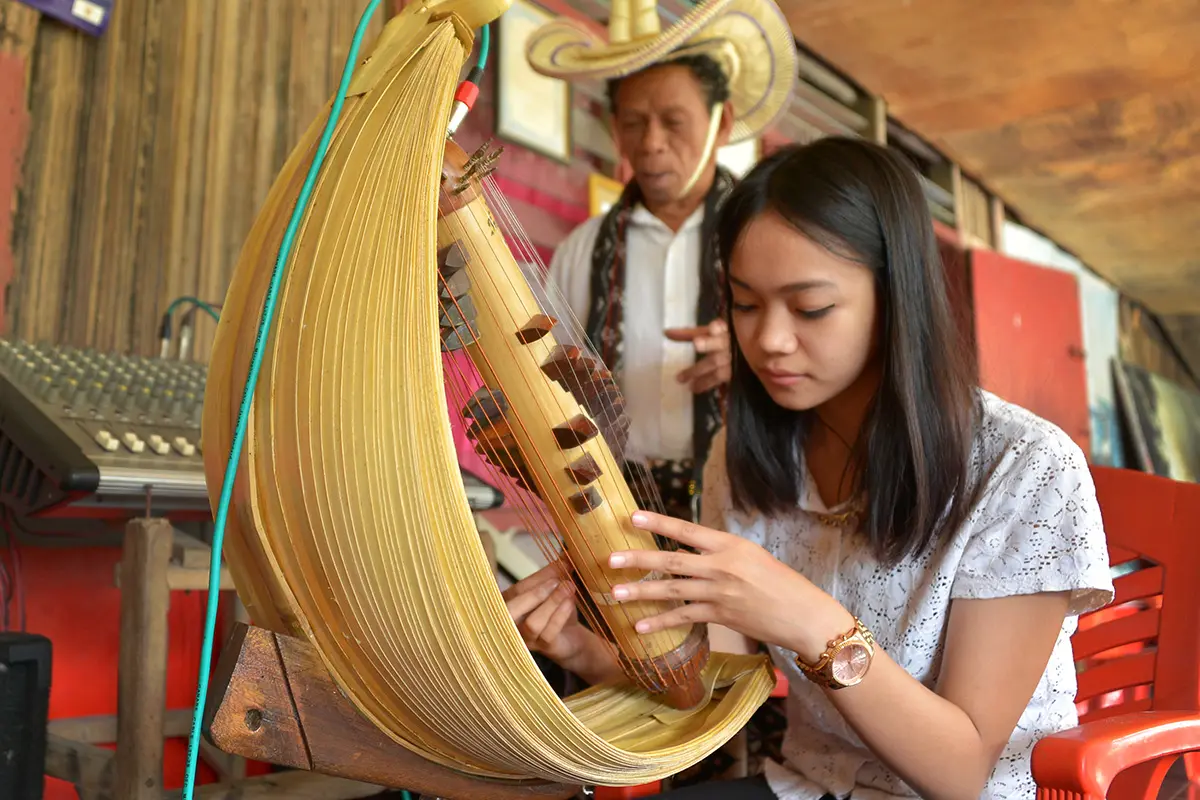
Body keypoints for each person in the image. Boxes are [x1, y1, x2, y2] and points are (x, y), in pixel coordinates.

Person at [503, 137, 1115, 800]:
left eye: (811, 308)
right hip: (809, 787)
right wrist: (582, 651)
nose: (768, 340)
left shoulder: (1023, 467)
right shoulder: (745, 456)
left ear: (896, 297)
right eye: (744, 304)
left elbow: (962, 772)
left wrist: (809, 621)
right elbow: (715, 687)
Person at [525, 0, 797, 522]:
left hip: (749, 504)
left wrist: (752, 360)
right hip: (616, 506)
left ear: (722, 122)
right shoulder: (583, 250)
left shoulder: (769, 238)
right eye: (633, 123)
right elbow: (545, 380)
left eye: (673, 122)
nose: (650, 144)